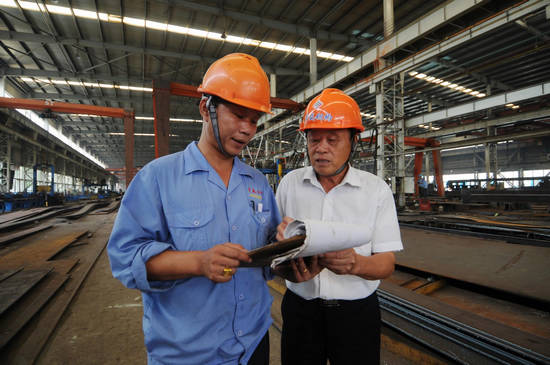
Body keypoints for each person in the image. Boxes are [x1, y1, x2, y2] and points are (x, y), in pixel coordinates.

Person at [107, 53, 281, 365]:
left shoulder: (258, 184)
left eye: (254, 120)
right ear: (206, 108)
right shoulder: (158, 178)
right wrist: (198, 262)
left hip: (253, 343)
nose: (246, 130)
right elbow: (125, 257)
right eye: (239, 115)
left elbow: (269, 254)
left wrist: (290, 250)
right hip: (189, 353)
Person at [275, 88, 403, 364]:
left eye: (332, 140)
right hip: (301, 311)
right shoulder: (289, 185)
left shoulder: (375, 191)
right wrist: (285, 259)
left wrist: (355, 264)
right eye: (313, 139)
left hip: (356, 314)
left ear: (354, 140)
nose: (321, 148)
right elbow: (274, 247)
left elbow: (386, 263)